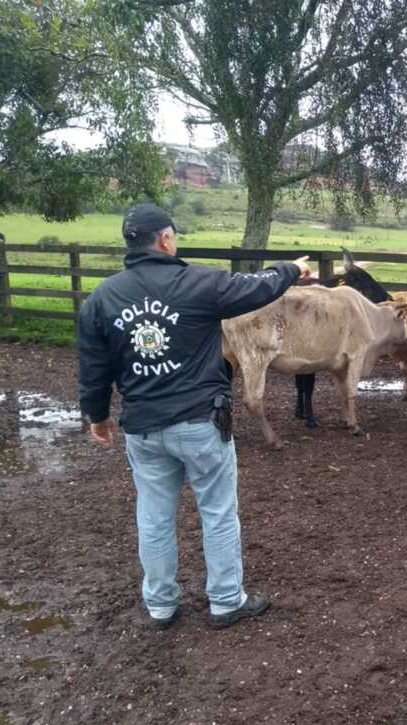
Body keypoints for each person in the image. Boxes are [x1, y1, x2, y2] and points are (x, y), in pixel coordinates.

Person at [78, 203, 312, 629]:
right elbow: (257, 288)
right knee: (218, 512)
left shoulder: (102, 299)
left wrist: (97, 416)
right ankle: (225, 601)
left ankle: (161, 605)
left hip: (143, 428)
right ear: (166, 239)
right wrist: (292, 269)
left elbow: (94, 368)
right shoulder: (199, 283)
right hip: (200, 423)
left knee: (153, 517)